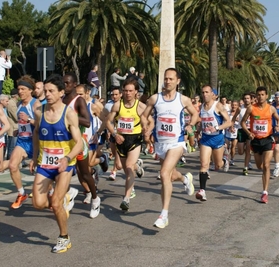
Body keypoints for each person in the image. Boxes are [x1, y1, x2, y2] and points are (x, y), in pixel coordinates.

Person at [30, 74, 83, 253]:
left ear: (61, 92)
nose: (48, 94)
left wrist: (67, 158)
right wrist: (34, 156)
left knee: (55, 203)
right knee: (37, 203)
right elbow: (36, 133)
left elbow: (79, 142)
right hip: (44, 164)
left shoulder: (69, 113)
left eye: (51, 91)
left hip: (64, 165)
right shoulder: (39, 111)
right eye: (45, 91)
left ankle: (64, 238)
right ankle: (64, 199)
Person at [141, 68, 198, 228]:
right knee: (171, 175)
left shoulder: (183, 100)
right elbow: (144, 115)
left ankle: (164, 214)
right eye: (166, 79)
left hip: (177, 142)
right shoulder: (155, 99)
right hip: (161, 143)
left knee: (164, 174)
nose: (168, 81)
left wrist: (190, 125)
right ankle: (185, 179)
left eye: (171, 79)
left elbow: (195, 115)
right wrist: (146, 127)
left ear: (177, 81)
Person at [63, 72, 101, 218]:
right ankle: (69, 192)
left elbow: (87, 122)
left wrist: (71, 118)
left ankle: (95, 198)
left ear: (74, 84)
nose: (65, 85)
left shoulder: (78, 101)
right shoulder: (61, 99)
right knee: (59, 172)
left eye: (67, 83)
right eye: (63, 83)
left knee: (84, 173)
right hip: (64, 143)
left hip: (79, 142)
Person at [106, 79, 146, 211]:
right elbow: (108, 122)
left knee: (128, 167)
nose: (128, 93)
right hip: (121, 139)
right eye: (125, 91)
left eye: (130, 91)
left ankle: (126, 198)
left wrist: (147, 131)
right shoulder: (118, 105)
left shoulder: (140, 107)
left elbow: (150, 121)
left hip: (134, 139)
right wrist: (114, 134)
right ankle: (137, 167)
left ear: (136, 92)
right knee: (125, 168)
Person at [241, 86, 279, 204]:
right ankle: (264, 173)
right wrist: (249, 132)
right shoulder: (251, 108)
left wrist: (277, 125)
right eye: (258, 95)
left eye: (263, 94)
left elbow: (278, 119)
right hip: (256, 141)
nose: (260, 97)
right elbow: (242, 122)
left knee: (267, 165)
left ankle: (265, 192)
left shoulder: (271, 109)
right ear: (256, 96)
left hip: (268, 139)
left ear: (266, 96)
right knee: (260, 166)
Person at [7, 76, 41, 209]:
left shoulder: (36, 104)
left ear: (30, 90)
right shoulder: (19, 104)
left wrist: (29, 120)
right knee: (12, 165)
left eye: (23, 89)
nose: (20, 91)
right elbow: (21, 122)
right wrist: (19, 129)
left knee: (42, 174)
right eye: (19, 89)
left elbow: (41, 124)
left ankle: (51, 194)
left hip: (36, 142)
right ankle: (22, 193)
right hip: (22, 141)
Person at [195, 85, 232, 201]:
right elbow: (202, 122)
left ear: (212, 94)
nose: (204, 94)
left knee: (218, 165)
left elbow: (229, 122)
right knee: (204, 164)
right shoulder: (201, 107)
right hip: (206, 139)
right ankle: (202, 191)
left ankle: (224, 159)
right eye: (203, 92)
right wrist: (198, 130)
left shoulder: (218, 106)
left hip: (217, 139)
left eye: (207, 92)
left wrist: (217, 127)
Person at [75, 84, 109, 203]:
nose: (78, 97)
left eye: (80, 94)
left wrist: (99, 132)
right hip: (77, 141)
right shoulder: (73, 107)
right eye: (76, 94)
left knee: (88, 163)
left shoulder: (93, 106)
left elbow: (106, 119)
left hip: (90, 140)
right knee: (79, 170)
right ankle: (89, 192)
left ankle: (103, 159)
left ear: (87, 93)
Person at [6, 89, 19, 160]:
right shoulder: (11, 103)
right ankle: (9, 161)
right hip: (13, 128)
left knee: (12, 146)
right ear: (16, 95)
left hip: (14, 128)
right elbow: (16, 117)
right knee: (12, 147)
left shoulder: (14, 102)